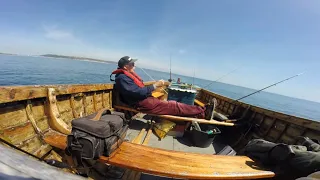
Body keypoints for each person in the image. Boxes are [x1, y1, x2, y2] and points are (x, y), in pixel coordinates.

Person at [110, 56, 215, 119]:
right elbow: (138, 92)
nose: (134, 65)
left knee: (173, 104)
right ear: (125, 67)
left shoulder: (124, 76)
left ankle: (201, 112)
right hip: (141, 103)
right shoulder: (122, 78)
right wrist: (156, 85)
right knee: (174, 106)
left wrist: (154, 87)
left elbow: (139, 91)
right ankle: (204, 111)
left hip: (146, 100)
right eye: (132, 64)